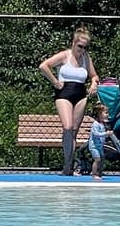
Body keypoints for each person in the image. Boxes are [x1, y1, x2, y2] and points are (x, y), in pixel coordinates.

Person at [39, 27, 98, 175]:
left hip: (80, 94)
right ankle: (67, 164)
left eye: (85, 47)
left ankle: (69, 166)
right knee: (67, 126)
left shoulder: (86, 58)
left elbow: (94, 75)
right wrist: (55, 82)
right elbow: (44, 66)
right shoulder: (65, 55)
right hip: (64, 93)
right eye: (80, 46)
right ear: (73, 43)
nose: (82, 50)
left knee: (74, 131)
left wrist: (93, 83)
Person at [88, 104, 109, 180]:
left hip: (100, 146)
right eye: (106, 113)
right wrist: (105, 134)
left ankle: (99, 173)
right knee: (97, 159)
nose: (107, 115)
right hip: (94, 146)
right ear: (99, 114)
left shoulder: (102, 124)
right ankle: (94, 174)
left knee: (102, 159)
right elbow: (96, 134)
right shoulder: (95, 124)